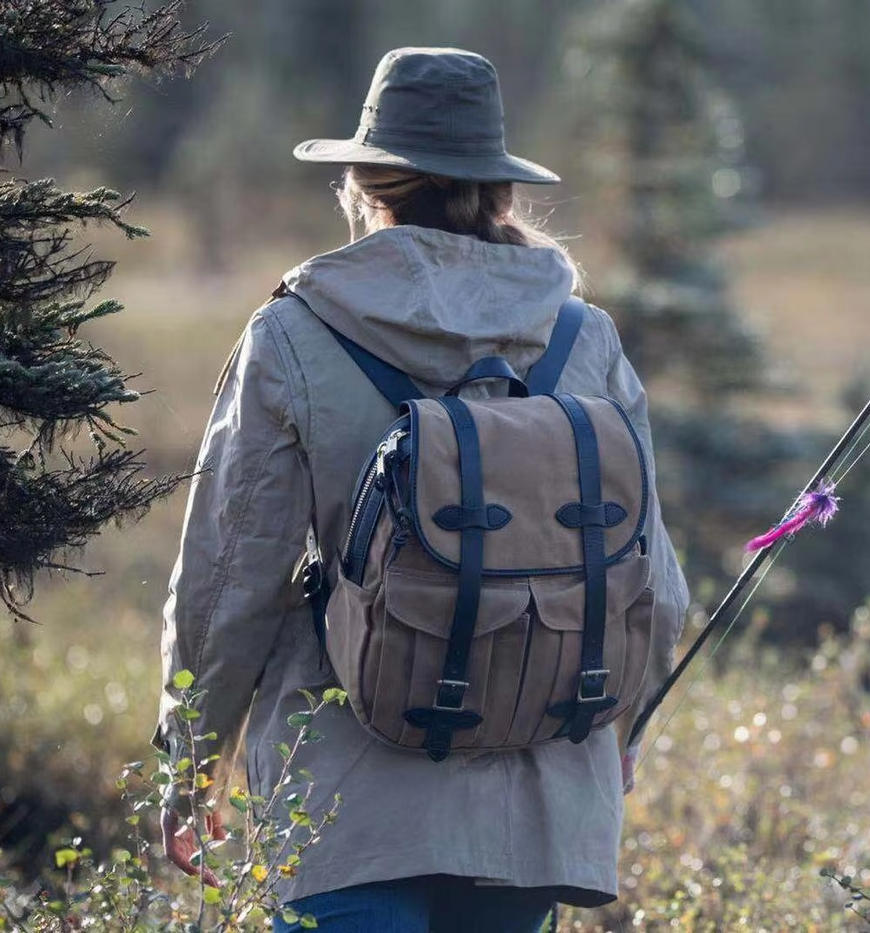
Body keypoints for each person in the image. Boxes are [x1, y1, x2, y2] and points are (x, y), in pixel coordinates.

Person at [155, 48, 690, 932]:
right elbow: (655, 586)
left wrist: (190, 762)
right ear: (499, 188)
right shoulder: (582, 338)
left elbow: (227, 580)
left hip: (345, 808)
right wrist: (615, 731)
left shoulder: (295, 331)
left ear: (364, 183)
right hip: (537, 807)